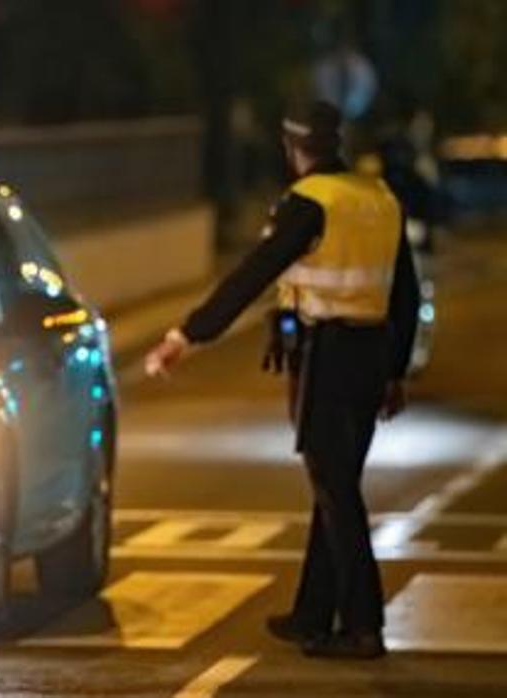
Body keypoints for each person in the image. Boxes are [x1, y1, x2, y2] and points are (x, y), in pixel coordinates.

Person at [145, 101, 420, 659]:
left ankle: (365, 625)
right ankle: (313, 615)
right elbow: (405, 293)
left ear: (292, 148)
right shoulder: (380, 197)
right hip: (370, 354)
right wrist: (395, 370)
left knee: (335, 489)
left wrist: (188, 335)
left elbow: (254, 273)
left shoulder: (309, 204)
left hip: (329, 356)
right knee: (335, 484)